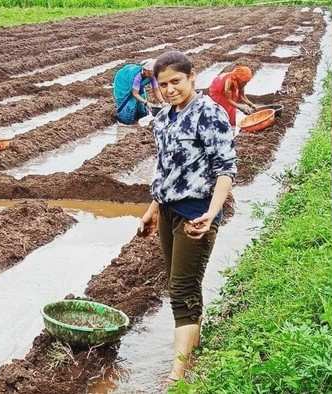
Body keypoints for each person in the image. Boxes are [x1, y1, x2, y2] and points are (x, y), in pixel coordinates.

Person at [137, 51, 236, 383]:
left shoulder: (210, 114)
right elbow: (164, 169)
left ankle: (176, 377)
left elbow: (225, 171)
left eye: (176, 82)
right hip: (167, 211)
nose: (169, 90)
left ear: (193, 77)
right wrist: (152, 210)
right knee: (180, 285)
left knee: (181, 288)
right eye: (163, 84)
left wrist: (212, 213)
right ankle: (192, 351)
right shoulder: (165, 117)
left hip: (196, 214)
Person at [112, 59, 166, 124]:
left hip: (136, 86)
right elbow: (135, 93)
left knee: (141, 106)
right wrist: (146, 102)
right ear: (145, 70)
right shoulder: (137, 76)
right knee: (129, 106)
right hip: (123, 82)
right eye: (152, 71)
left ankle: (136, 121)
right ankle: (124, 123)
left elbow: (156, 89)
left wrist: (162, 102)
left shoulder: (152, 75)